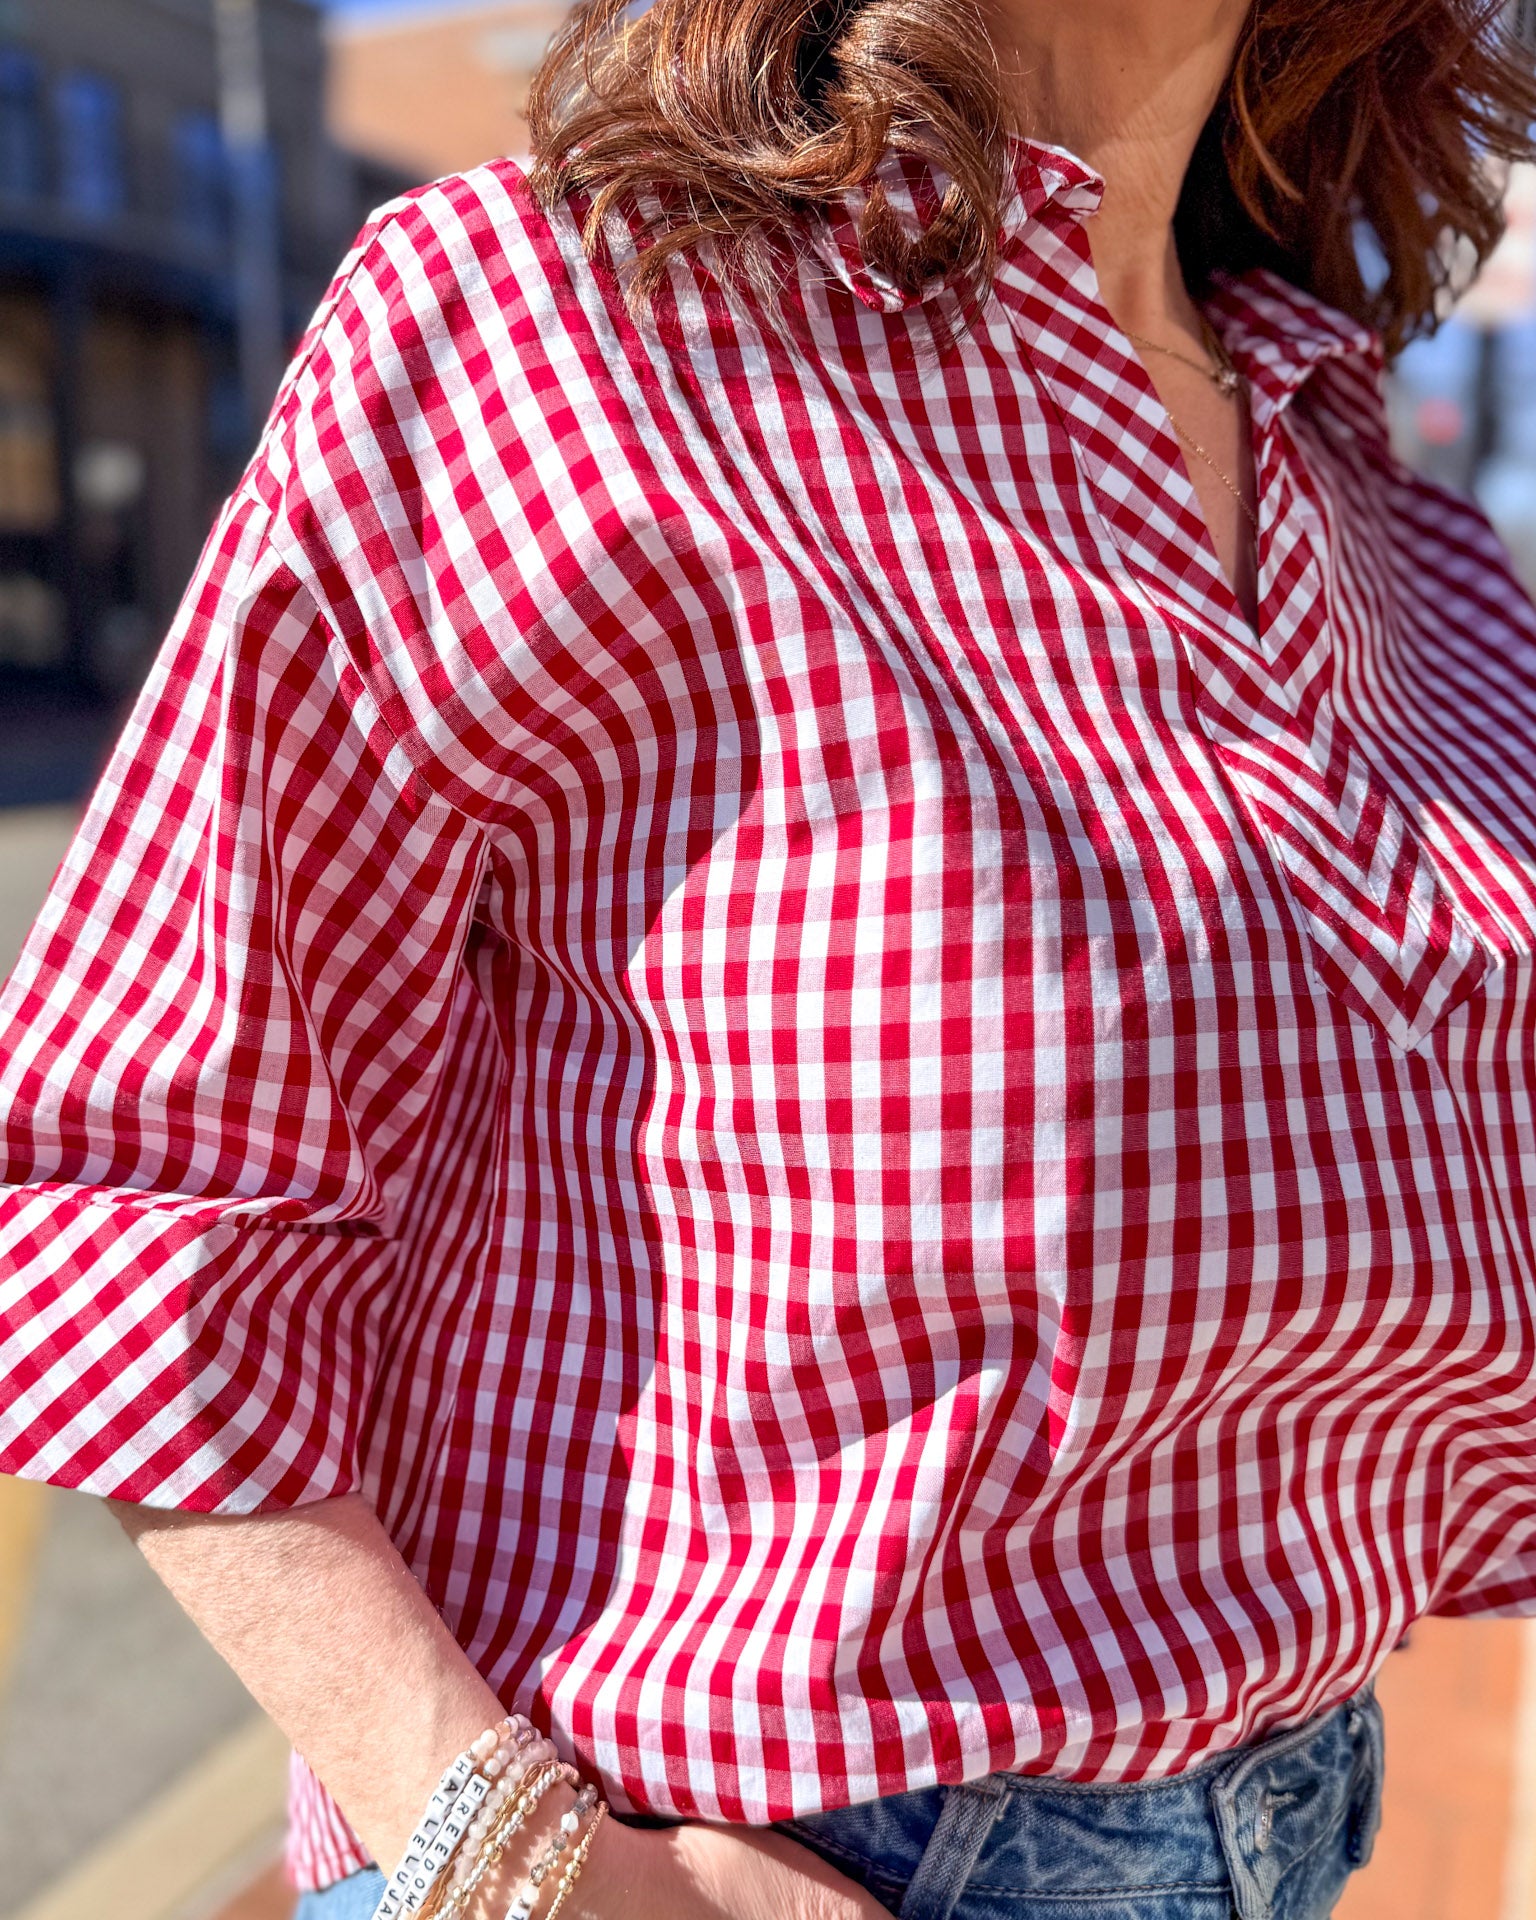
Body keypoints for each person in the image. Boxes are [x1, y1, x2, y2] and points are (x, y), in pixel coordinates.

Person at [4, 0, 1536, 1914]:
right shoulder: (565, 326)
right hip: (727, 1850)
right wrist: (527, 1868)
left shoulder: (1366, 487)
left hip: (1290, 1818)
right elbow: (144, 1170)